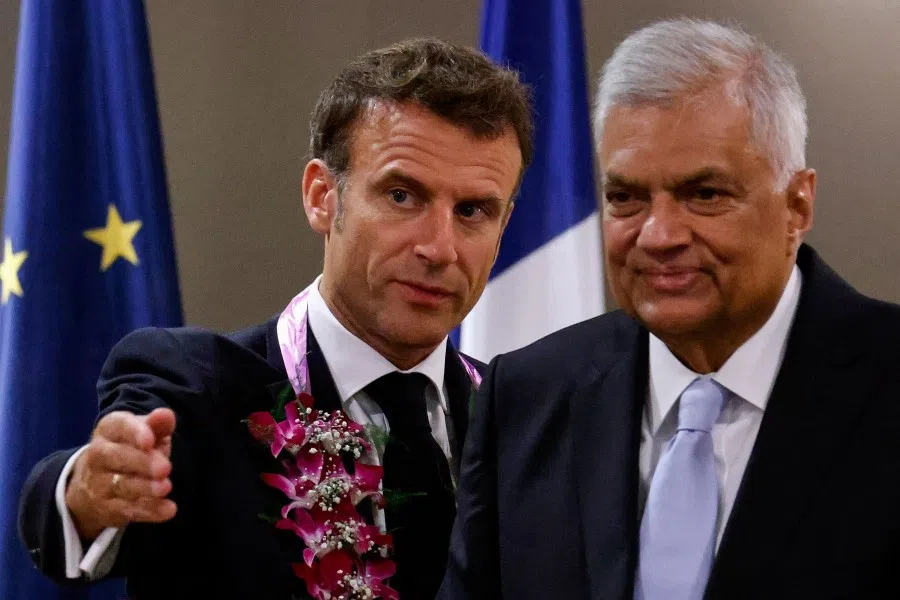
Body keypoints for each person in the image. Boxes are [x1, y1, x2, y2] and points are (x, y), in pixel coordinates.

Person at [19, 37, 532, 600]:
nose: (439, 247)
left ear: (503, 227)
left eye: (472, 211)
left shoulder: (529, 421)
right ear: (322, 197)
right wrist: (87, 492)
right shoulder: (199, 389)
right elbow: (80, 494)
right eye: (402, 195)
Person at [440, 18, 900, 600]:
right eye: (626, 198)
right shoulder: (528, 396)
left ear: (797, 205)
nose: (658, 236)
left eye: (704, 195)